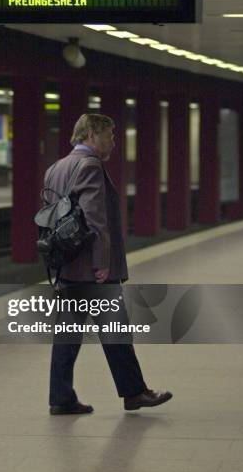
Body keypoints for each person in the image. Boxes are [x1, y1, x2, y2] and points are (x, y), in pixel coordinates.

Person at [44, 113, 172, 414]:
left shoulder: (55, 168)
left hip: (68, 266)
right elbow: (95, 217)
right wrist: (102, 263)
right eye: (110, 136)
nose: (114, 143)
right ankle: (135, 392)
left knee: (67, 335)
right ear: (90, 134)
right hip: (92, 268)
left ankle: (61, 398)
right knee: (116, 331)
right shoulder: (89, 166)